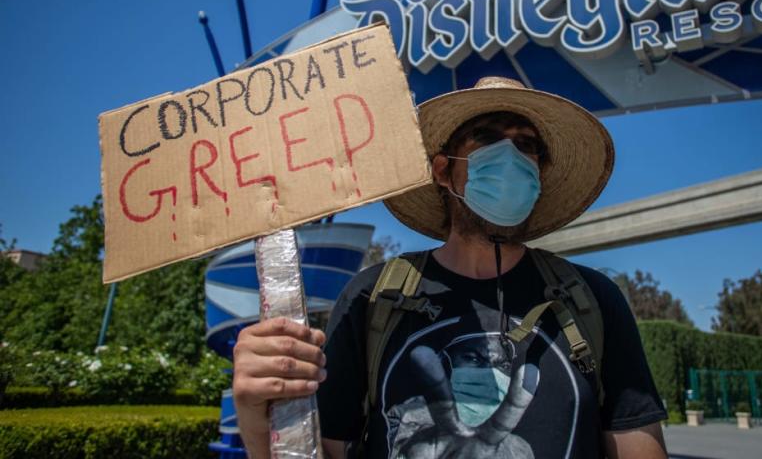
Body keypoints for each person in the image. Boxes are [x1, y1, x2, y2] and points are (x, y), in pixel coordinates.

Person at [233, 77, 668, 458]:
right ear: (444, 170)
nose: (511, 156)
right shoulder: (375, 300)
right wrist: (256, 416)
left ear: (540, 173)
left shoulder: (591, 299)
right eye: (487, 137)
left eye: (526, 144)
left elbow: (638, 443)